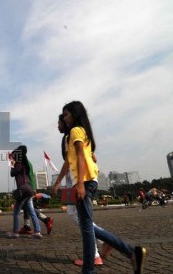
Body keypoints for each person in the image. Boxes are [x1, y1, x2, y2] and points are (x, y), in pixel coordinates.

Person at [59, 101, 146, 274]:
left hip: (84, 181)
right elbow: (78, 158)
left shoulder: (75, 131)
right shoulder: (83, 132)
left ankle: (93, 268)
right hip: (90, 179)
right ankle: (129, 252)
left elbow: (81, 157)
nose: (64, 118)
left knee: (86, 228)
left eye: (66, 114)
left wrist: (81, 184)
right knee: (87, 226)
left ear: (75, 115)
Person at [52, 113, 108, 266]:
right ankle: (101, 242)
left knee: (75, 214)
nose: (57, 126)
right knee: (75, 213)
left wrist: (58, 182)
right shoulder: (76, 134)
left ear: (65, 122)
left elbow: (68, 162)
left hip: (76, 179)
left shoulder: (69, 136)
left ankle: (99, 246)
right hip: (76, 179)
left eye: (59, 123)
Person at [7, 145, 43, 239]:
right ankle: (37, 232)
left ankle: (15, 233)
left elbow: (12, 173)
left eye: (14, 155)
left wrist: (12, 164)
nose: (13, 157)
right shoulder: (26, 163)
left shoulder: (19, 163)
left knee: (16, 211)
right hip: (29, 189)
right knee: (31, 211)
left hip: (23, 190)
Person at [18, 147, 54, 235]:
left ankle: (46, 219)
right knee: (26, 207)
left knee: (28, 207)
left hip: (27, 189)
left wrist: (33, 189)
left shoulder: (24, 163)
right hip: (28, 188)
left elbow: (29, 176)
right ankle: (27, 226)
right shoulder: (27, 162)